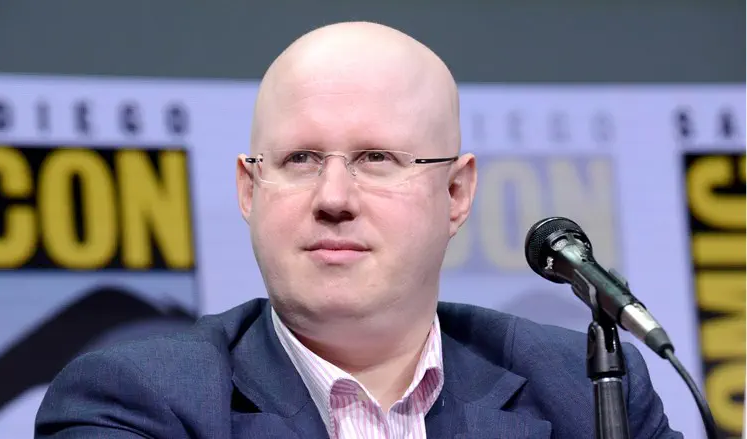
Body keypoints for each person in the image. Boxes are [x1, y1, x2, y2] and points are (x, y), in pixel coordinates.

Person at [35, 21, 682, 438]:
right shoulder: (135, 403)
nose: (334, 197)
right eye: (299, 159)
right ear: (248, 188)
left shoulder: (588, 387)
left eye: (377, 158)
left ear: (454, 192)